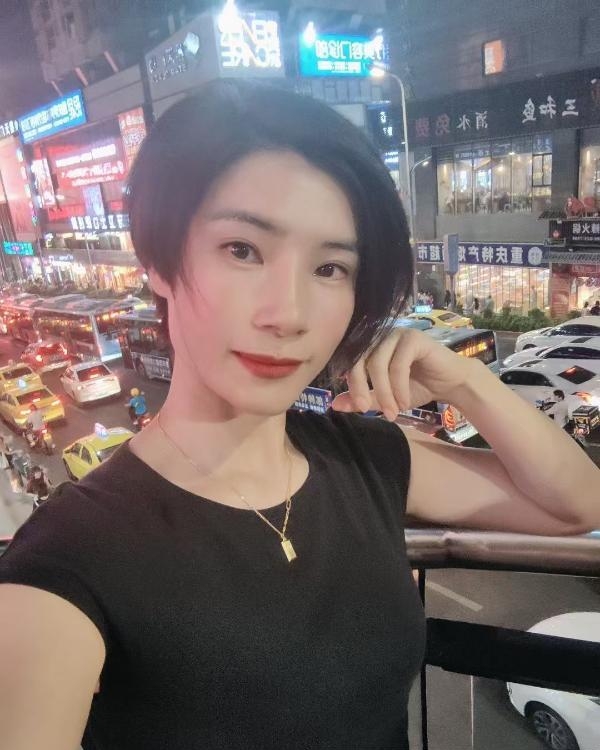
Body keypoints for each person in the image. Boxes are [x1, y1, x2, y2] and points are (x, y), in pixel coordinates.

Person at [0, 79, 598, 750]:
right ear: (159, 261)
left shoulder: (363, 458)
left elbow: (576, 505)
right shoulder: (70, 559)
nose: (287, 314)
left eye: (330, 269)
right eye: (242, 250)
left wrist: (466, 379)